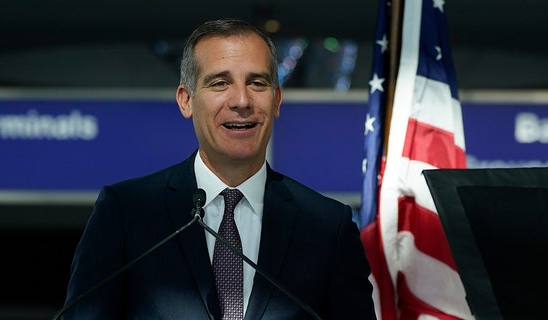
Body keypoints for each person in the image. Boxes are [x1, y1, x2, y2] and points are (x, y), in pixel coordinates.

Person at [61, 18, 376, 319]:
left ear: (277, 99)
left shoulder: (328, 227)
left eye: (257, 82)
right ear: (186, 100)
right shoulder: (125, 212)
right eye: (220, 82)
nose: (241, 100)